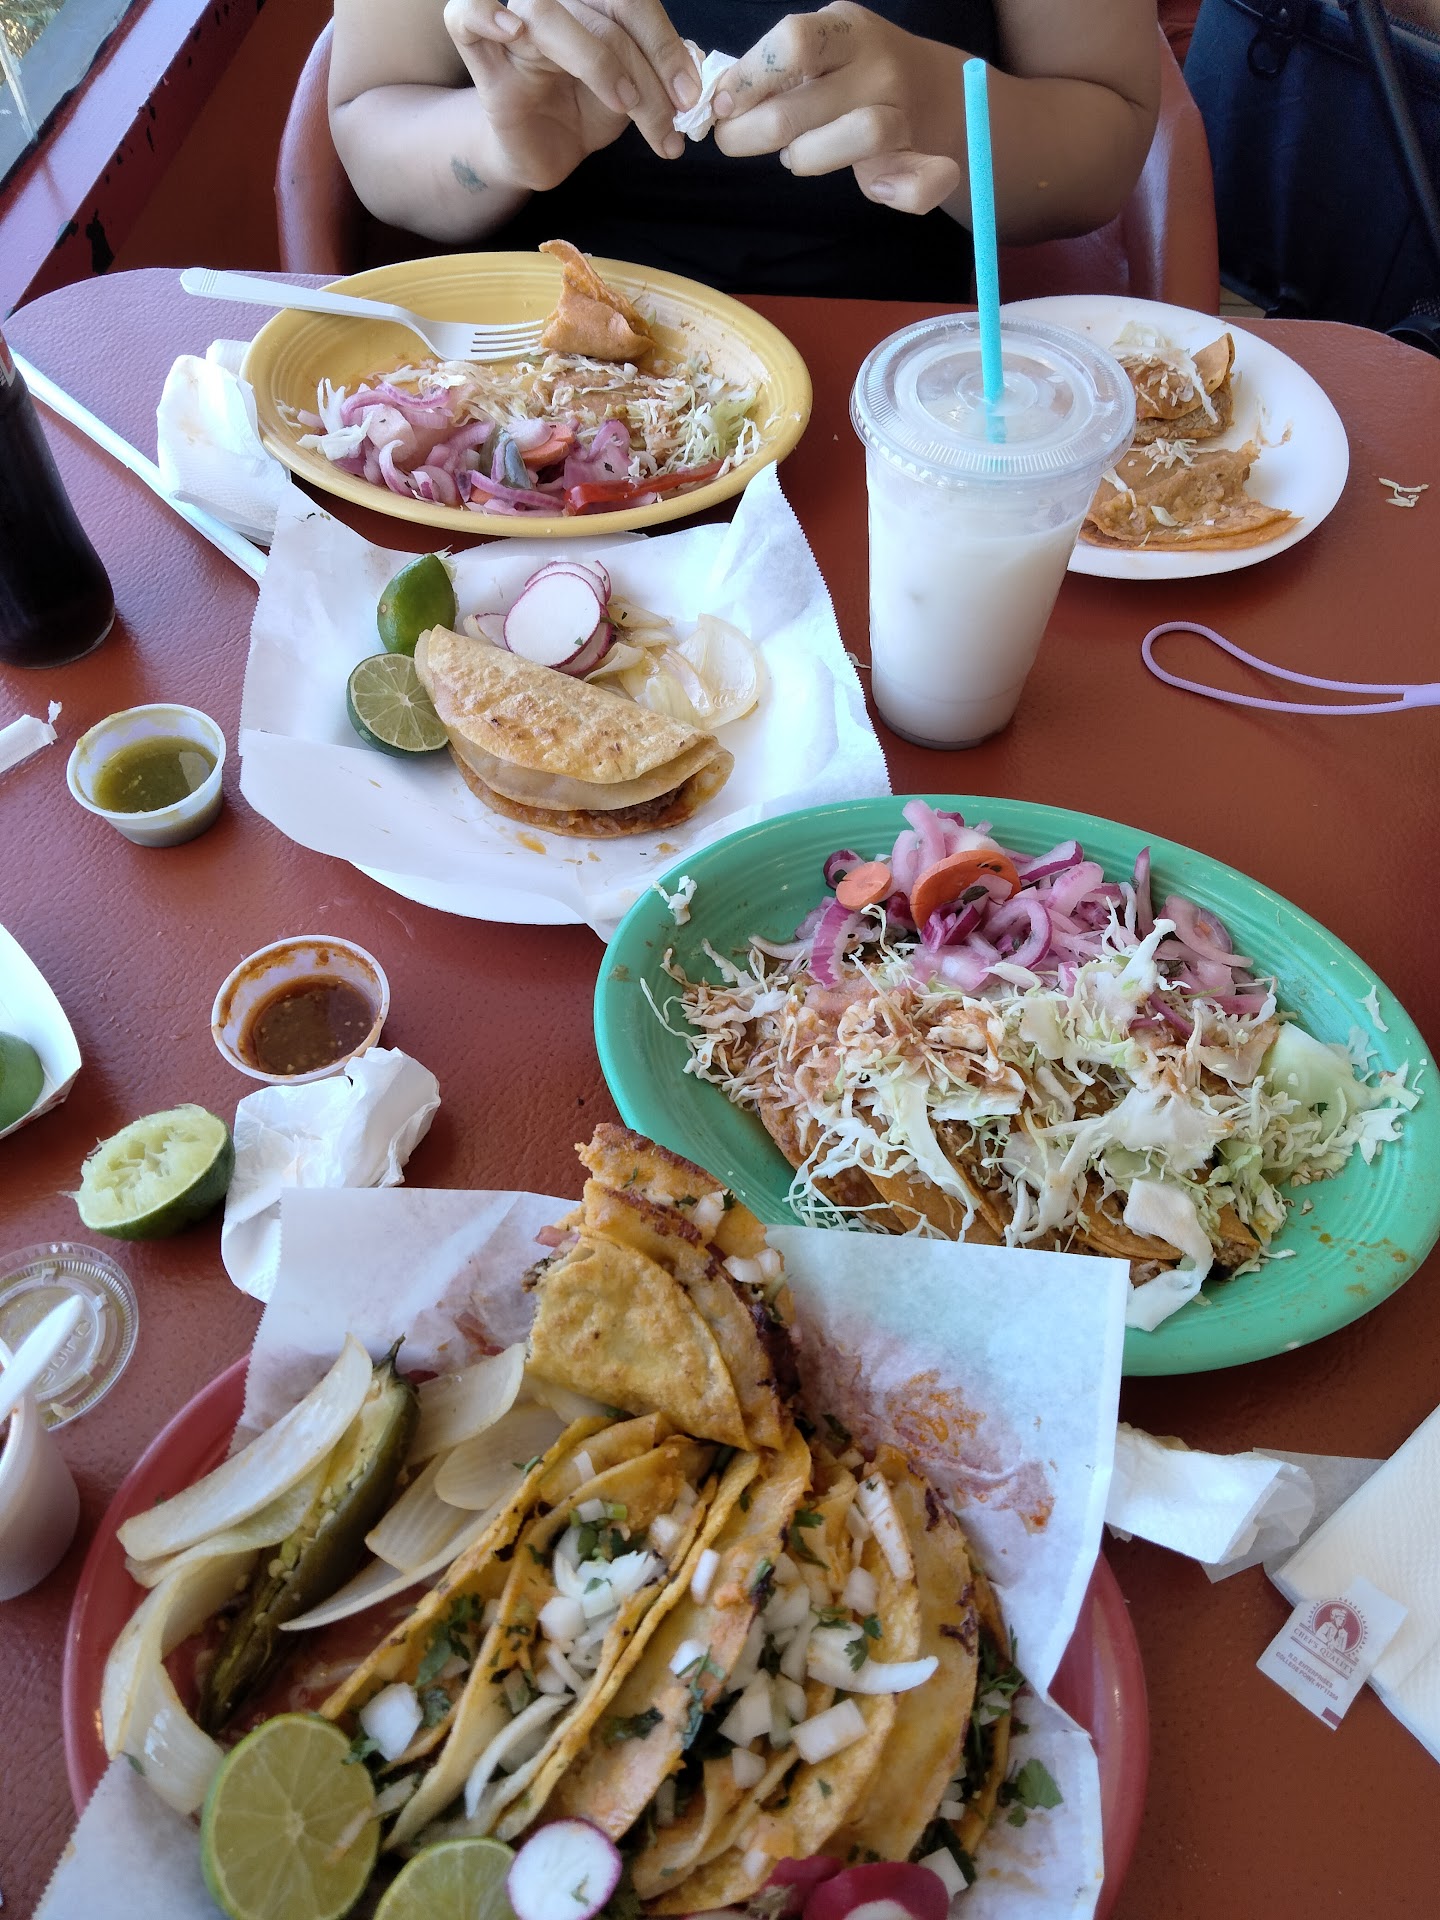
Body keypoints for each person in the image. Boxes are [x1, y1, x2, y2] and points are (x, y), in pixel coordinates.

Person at [329, 0, 1160, 300]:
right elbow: (369, 122)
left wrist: (937, 102)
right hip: (529, 386)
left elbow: (1108, 142)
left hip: (895, 411)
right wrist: (496, 143)